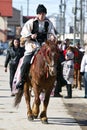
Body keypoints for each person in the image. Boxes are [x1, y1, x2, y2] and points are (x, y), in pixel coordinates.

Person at [16, 4, 57, 89]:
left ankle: (58, 80)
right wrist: (31, 36)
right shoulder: (30, 22)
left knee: (56, 59)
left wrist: (52, 36)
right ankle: (22, 80)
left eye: (44, 14)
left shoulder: (48, 23)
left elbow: (52, 32)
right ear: (37, 14)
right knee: (26, 62)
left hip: (44, 46)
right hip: (32, 45)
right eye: (40, 14)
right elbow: (23, 34)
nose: (42, 15)